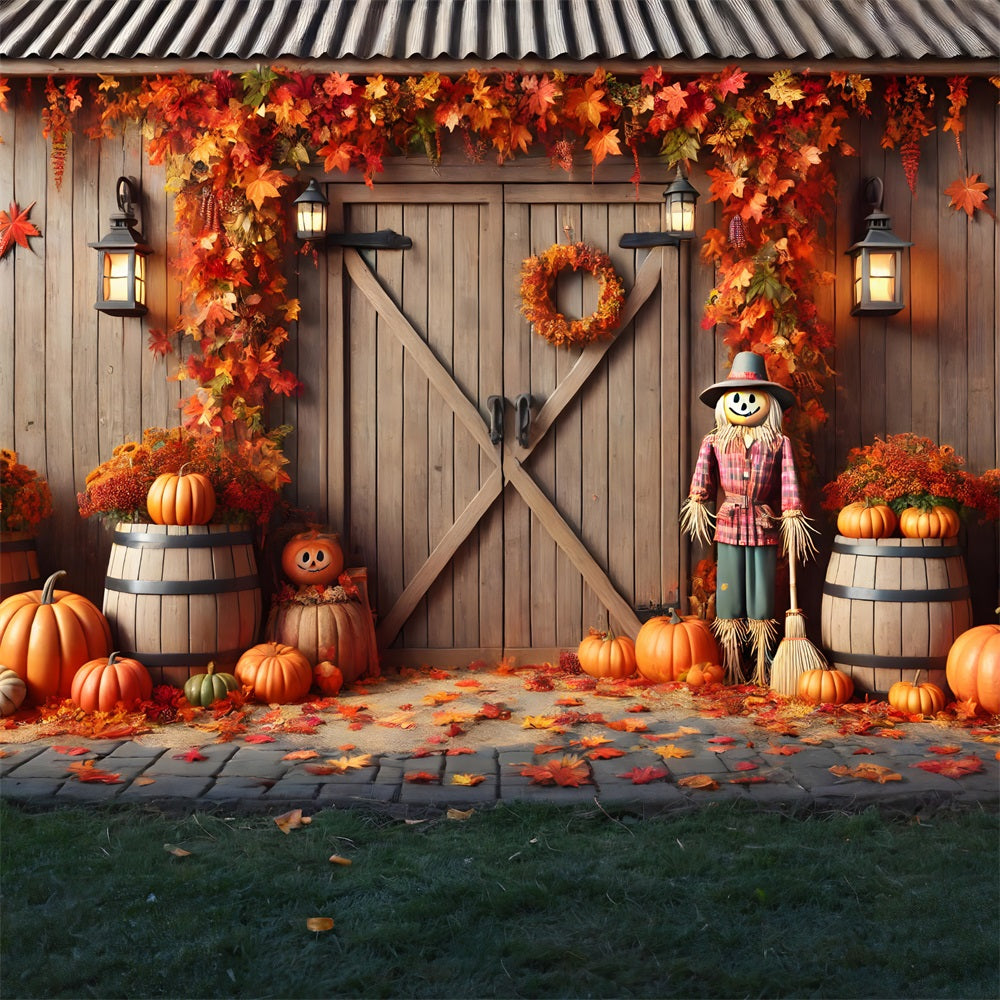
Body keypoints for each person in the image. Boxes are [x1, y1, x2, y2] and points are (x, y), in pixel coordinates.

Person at [680, 351, 816, 683]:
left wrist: (792, 514)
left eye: (752, 398)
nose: (743, 404)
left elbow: (788, 480)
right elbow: (703, 477)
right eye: (737, 399)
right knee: (729, 590)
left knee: (761, 591)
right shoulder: (715, 442)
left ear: (768, 403)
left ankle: (761, 662)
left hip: (762, 523)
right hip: (728, 524)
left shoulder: (778, 443)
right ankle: (732, 659)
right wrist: (698, 501)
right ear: (724, 404)